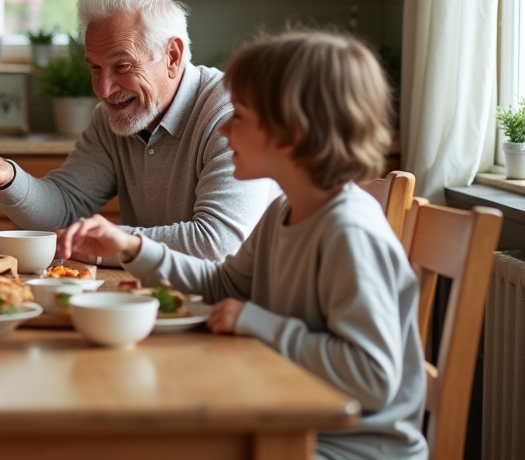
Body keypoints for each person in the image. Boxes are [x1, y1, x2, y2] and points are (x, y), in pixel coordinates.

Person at [56, 31, 426, 460]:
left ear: (290, 134)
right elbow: (225, 285)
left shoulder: (349, 232)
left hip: (347, 447)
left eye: (240, 116)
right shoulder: (285, 212)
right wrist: (131, 247)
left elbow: (372, 376)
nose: (224, 129)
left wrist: (257, 322)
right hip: (292, 415)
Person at [0, 0, 277, 262]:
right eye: (94, 68)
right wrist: (9, 177)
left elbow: (219, 243)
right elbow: (62, 208)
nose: (104, 89)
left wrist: (104, 244)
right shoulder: (112, 119)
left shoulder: (232, 113)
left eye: (122, 67)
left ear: (173, 57)